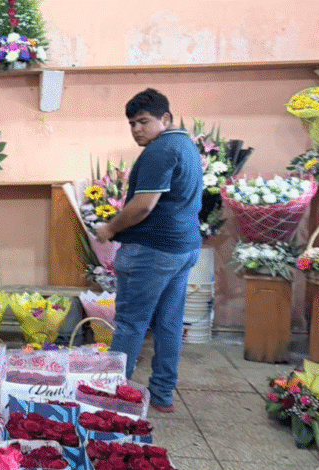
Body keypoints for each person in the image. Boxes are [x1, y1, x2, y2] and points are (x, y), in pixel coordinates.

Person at [95, 88, 202, 414]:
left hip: (152, 250)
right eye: (132, 123)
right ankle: (162, 395)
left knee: (130, 324)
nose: (137, 129)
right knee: (169, 324)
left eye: (143, 121)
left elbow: (143, 206)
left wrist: (110, 229)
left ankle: (113, 401)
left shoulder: (161, 150)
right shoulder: (187, 146)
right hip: (182, 248)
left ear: (165, 119)